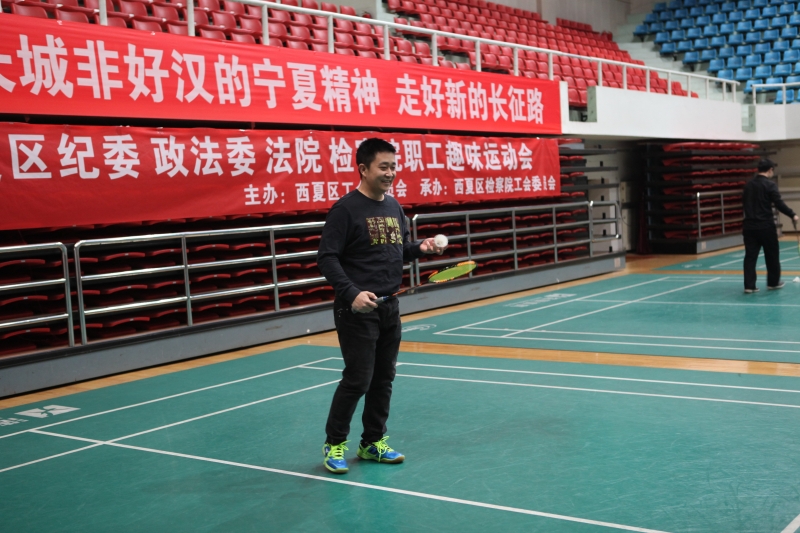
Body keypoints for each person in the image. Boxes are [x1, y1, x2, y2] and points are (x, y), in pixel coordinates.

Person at [316, 138, 445, 474]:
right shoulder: (345, 210)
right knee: (358, 379)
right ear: (363, 169)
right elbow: (326, 257)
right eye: (383, 167)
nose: (390, 173)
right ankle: (334, 443)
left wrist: (420, 248)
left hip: (389, 306)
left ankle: (372, 442)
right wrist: (351, 293)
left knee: (384, 378)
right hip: (357, 310)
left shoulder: (394, 207)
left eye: (393, 166)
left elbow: (398, 249)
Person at [742, 158, 798, 293]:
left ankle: (749, 286)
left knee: (750, 256)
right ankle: (773, 283)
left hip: (749, 226)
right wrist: (792, 215)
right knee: (772, 255)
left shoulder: (748, 185)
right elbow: (779, 204)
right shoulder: (770, 185)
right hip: (765, 226)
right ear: (770, 170)